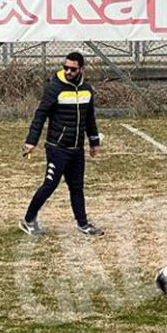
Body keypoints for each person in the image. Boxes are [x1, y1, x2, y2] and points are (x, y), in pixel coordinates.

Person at [20, 52, 103, 237]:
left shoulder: (87, 90)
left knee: (77, 187)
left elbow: (90, 118)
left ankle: (83, 224)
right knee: (49, 185)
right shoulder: (54, 88)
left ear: (81, 69)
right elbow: (40, 114)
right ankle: (28, 220)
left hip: (77, 149)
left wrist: (94, 142)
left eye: (72, 69)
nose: (67, 71)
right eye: (65, 67)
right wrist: (31, 141)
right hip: (57, 148)